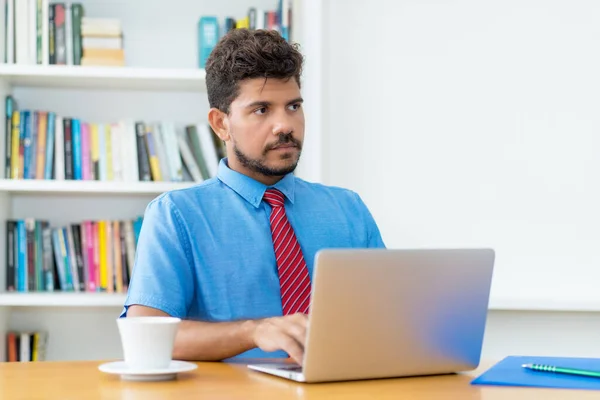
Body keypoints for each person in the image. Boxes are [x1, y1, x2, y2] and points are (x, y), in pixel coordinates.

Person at [121, 28, 385, 365]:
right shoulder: (176, 215)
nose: (283, 125)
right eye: (262, 109)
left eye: (293, 106)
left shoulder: (348, 209)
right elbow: (147, 335)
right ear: (221, 124)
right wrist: (253, 331)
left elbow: (386, 320)